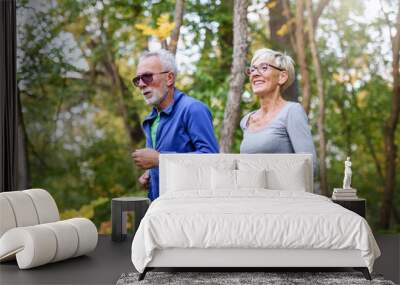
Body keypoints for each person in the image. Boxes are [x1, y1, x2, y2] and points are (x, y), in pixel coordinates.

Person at [131, 49, 219, 201]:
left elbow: (211, 160)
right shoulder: (150, 119)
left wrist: (160, 160)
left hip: (190, 210)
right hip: (161, 210)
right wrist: (152, 173)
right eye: (137, 80)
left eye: (147, 77)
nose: (141, 84)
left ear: (170, 78)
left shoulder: (193, 109)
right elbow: (168, 159)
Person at [240, 48, 317, 174]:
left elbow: (310, 166)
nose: (254, 74)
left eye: (264, 68)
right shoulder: (246, 120)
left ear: (282, 77)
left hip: (282, 193)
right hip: (251, 192)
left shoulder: (292, 111)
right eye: (252, 69)